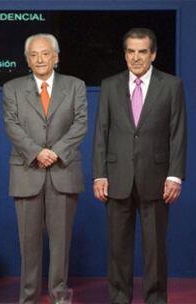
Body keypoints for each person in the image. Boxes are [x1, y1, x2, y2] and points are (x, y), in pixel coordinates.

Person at [93, 28, 187, 304]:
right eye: (130, 51)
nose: (136, 57)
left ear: (153, 54)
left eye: (142, 51)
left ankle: (155, 299)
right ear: (125, 54)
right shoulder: (110, 85)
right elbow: (102, 132)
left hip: (157, 180)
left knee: (155, 250)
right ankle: (119, 298)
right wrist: (99, 174)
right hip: (117, 178)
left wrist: (175, 176)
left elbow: (178, 133)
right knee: (118, 250)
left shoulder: (171, 86)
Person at [3, 33, 87, 304]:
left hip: (64, 173)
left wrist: (56, 153)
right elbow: (12, 126)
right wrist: (37, 152)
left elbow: (80, 125)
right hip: (27, 173)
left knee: (61, 245)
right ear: (27, 60)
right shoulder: (12, 88)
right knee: (28, 246)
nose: (40, 59)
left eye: (45, 53)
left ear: (56, 57)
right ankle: (27, 298)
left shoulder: (75, 85)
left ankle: (60, 297)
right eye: (34, 55)